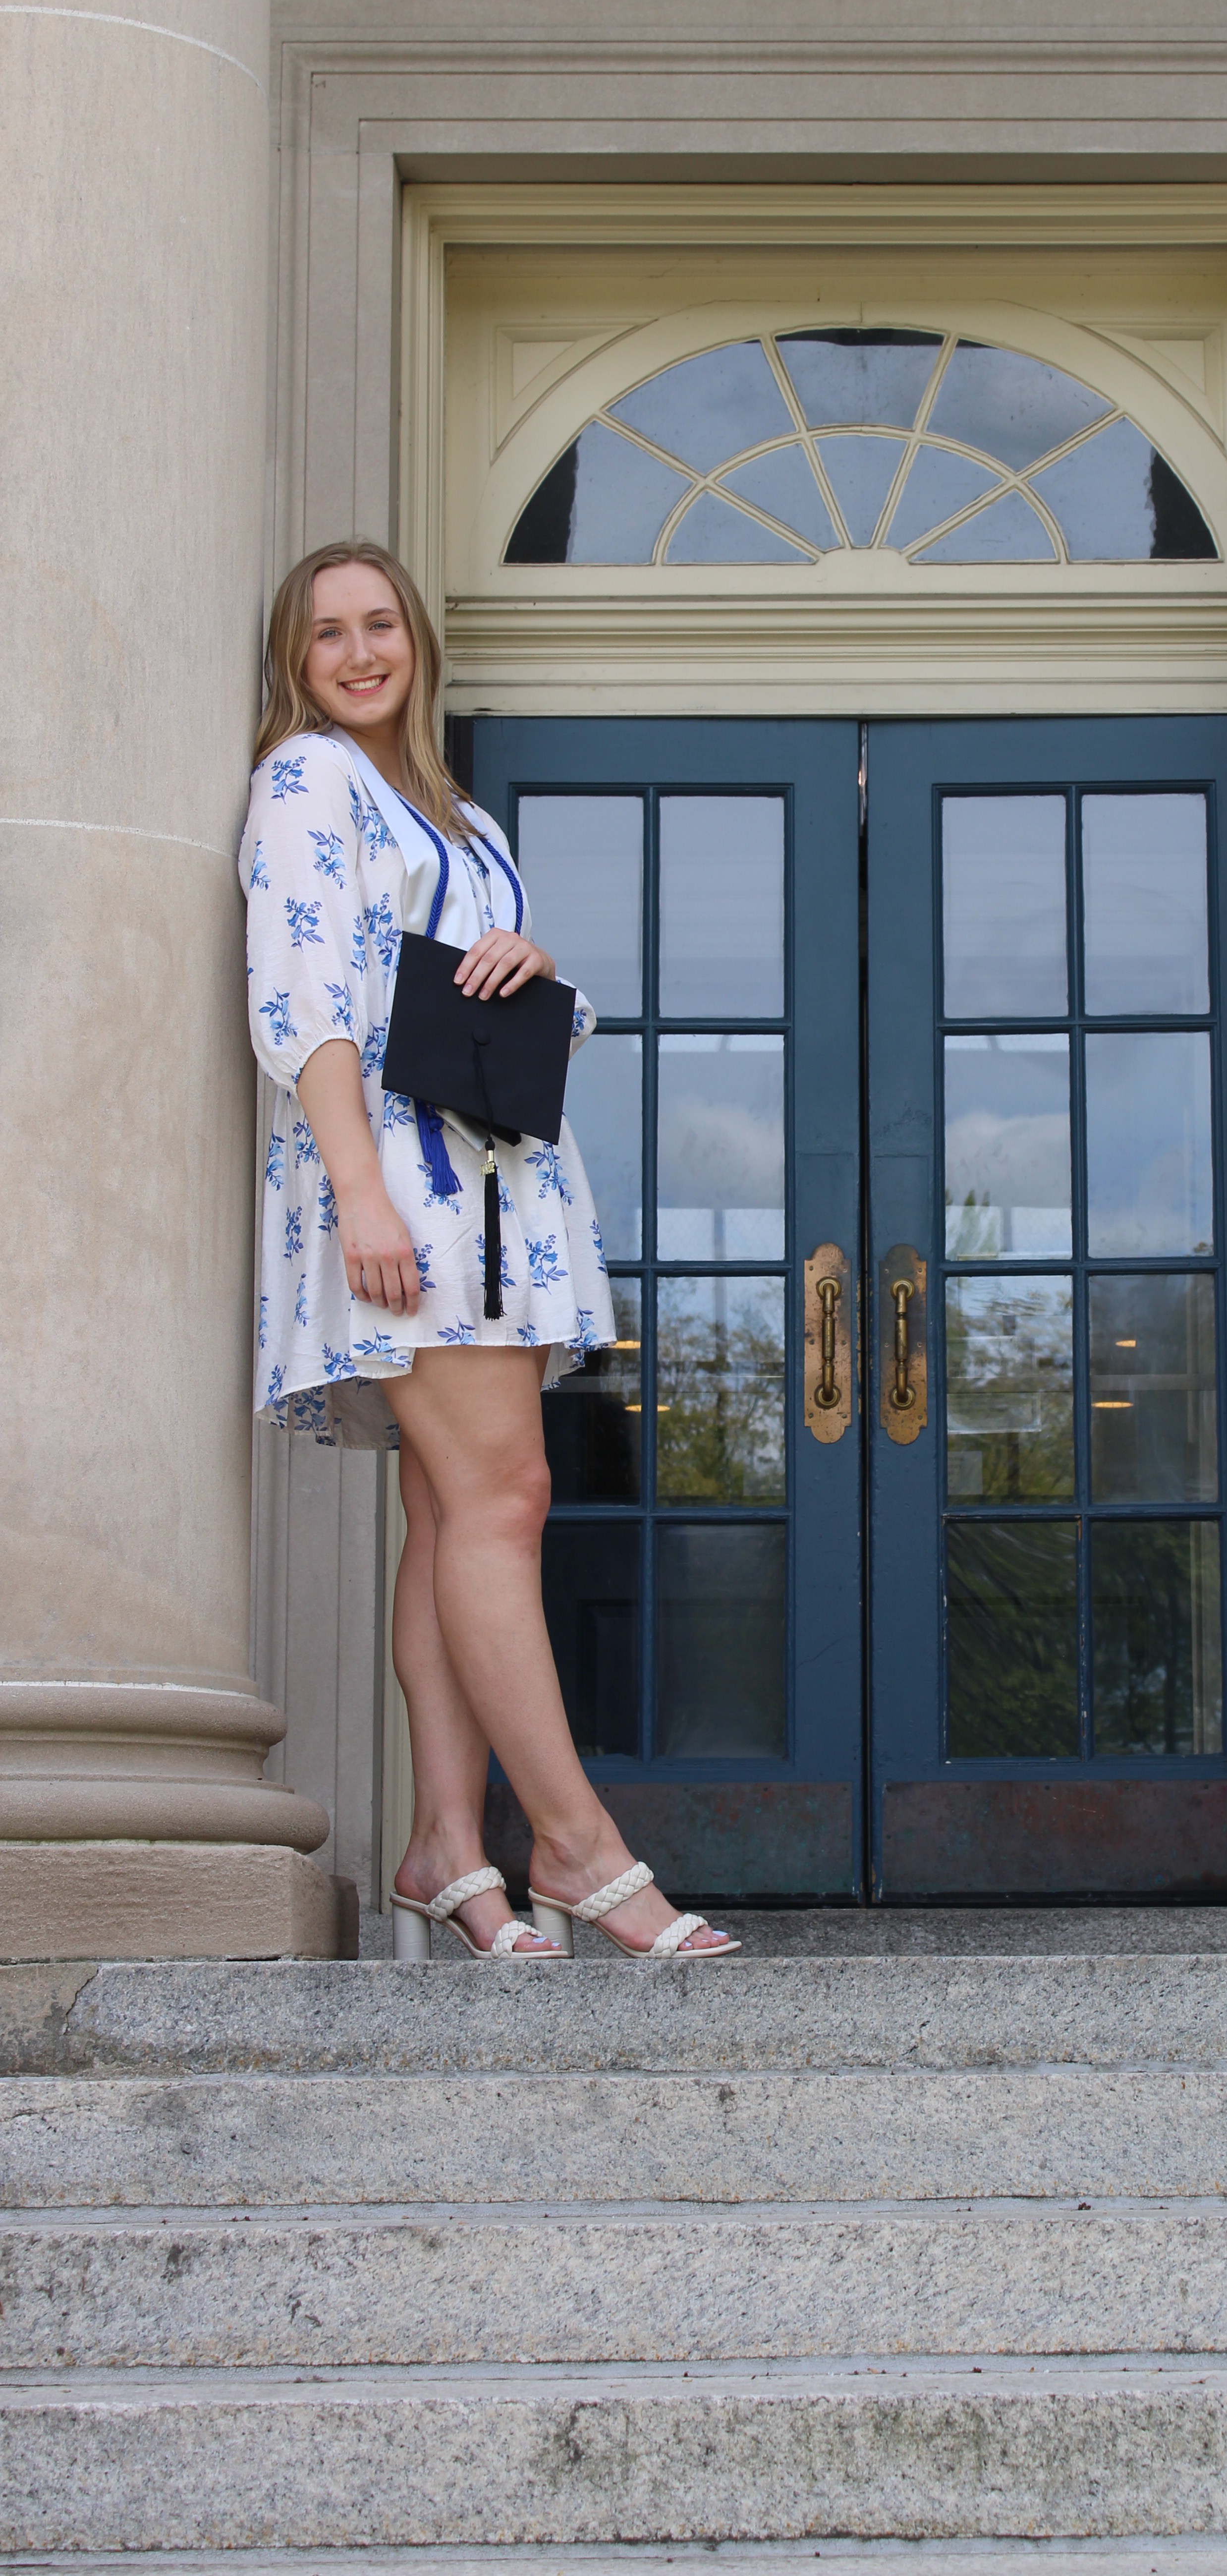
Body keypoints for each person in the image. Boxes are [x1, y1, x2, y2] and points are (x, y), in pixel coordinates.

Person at [240, 540, 736, 1960]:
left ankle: (449, 1847)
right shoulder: (304, 783)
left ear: (416, 642)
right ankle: (577, 1846)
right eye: (326, 632)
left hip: (497, 1188)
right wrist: (361, 1194)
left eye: (378, 624)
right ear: (296, 656)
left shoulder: (453, 812)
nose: (357, 653)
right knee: (506, 1495)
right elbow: (306, 998)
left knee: (457, 1516)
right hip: (400, 1185)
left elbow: (456, 993)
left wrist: (528, 963)